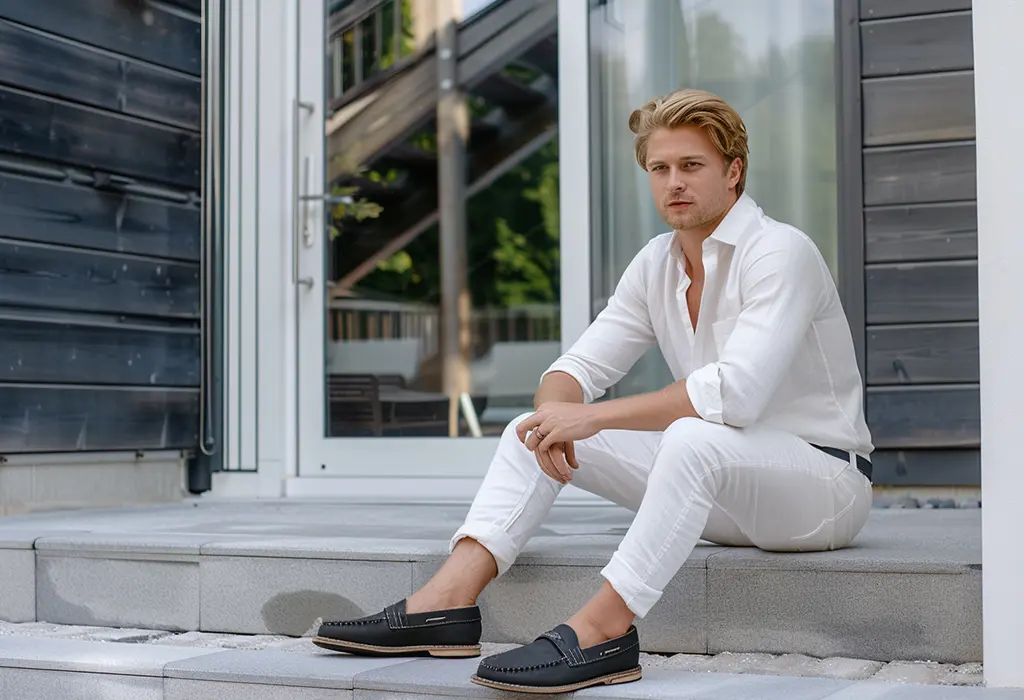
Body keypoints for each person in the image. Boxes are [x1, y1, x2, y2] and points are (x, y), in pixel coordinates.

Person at [311, 88, 874, 694]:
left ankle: (604, 632)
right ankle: (445, 606)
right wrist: (557, 415)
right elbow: (578, 366)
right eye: (660, 169)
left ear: (733, 172)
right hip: (725, 485)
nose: (673, 183)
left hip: (822, 487)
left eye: (692, 166)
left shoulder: (779, 251)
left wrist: (592, 419)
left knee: (688, 435)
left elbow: (735, 394)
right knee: (529, 426)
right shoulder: (656, 263)